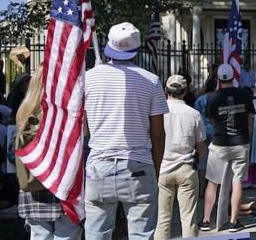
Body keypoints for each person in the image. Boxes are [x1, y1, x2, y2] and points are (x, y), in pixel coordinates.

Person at [84, 22, 168, 239]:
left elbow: (83, 130)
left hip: (98, 166)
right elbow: (158, 134)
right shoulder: (152, 81)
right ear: (136, 49)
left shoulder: (88, 79)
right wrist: (156, 169)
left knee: (96, 234)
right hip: (138, 165)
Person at [14, 70, 81, 240]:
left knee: (39, 235)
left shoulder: (24, 112)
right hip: (62, 188)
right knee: (67, 235)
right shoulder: (65, 111)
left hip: (34, 187)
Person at [200, 64, 254, 233]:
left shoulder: (213, 97)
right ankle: (233, 221)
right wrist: (248, 141)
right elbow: (250, 121)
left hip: (220, 143)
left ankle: (206, 220)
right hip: (240, 142)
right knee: (237, 181)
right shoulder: (244, 95)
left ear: (218, 79)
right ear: (233, 76)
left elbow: (213, 120)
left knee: (212, 182)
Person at [156, 74, 206, 240]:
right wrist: (195, 159)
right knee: (188, 218)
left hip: (162, 167)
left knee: (162, 219)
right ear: (185, 92)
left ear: (165, 90)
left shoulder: (158, 114)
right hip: (186, 166)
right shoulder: (193, 114)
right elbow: (201, 145)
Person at [193, 76, 216, 198]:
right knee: (216, 161)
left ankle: (201, 190)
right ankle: (213, 191)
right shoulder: (217, 98)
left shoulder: (201, 99)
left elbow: (196, 114)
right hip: (216, 131)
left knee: (202, 161)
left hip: (202, 132)